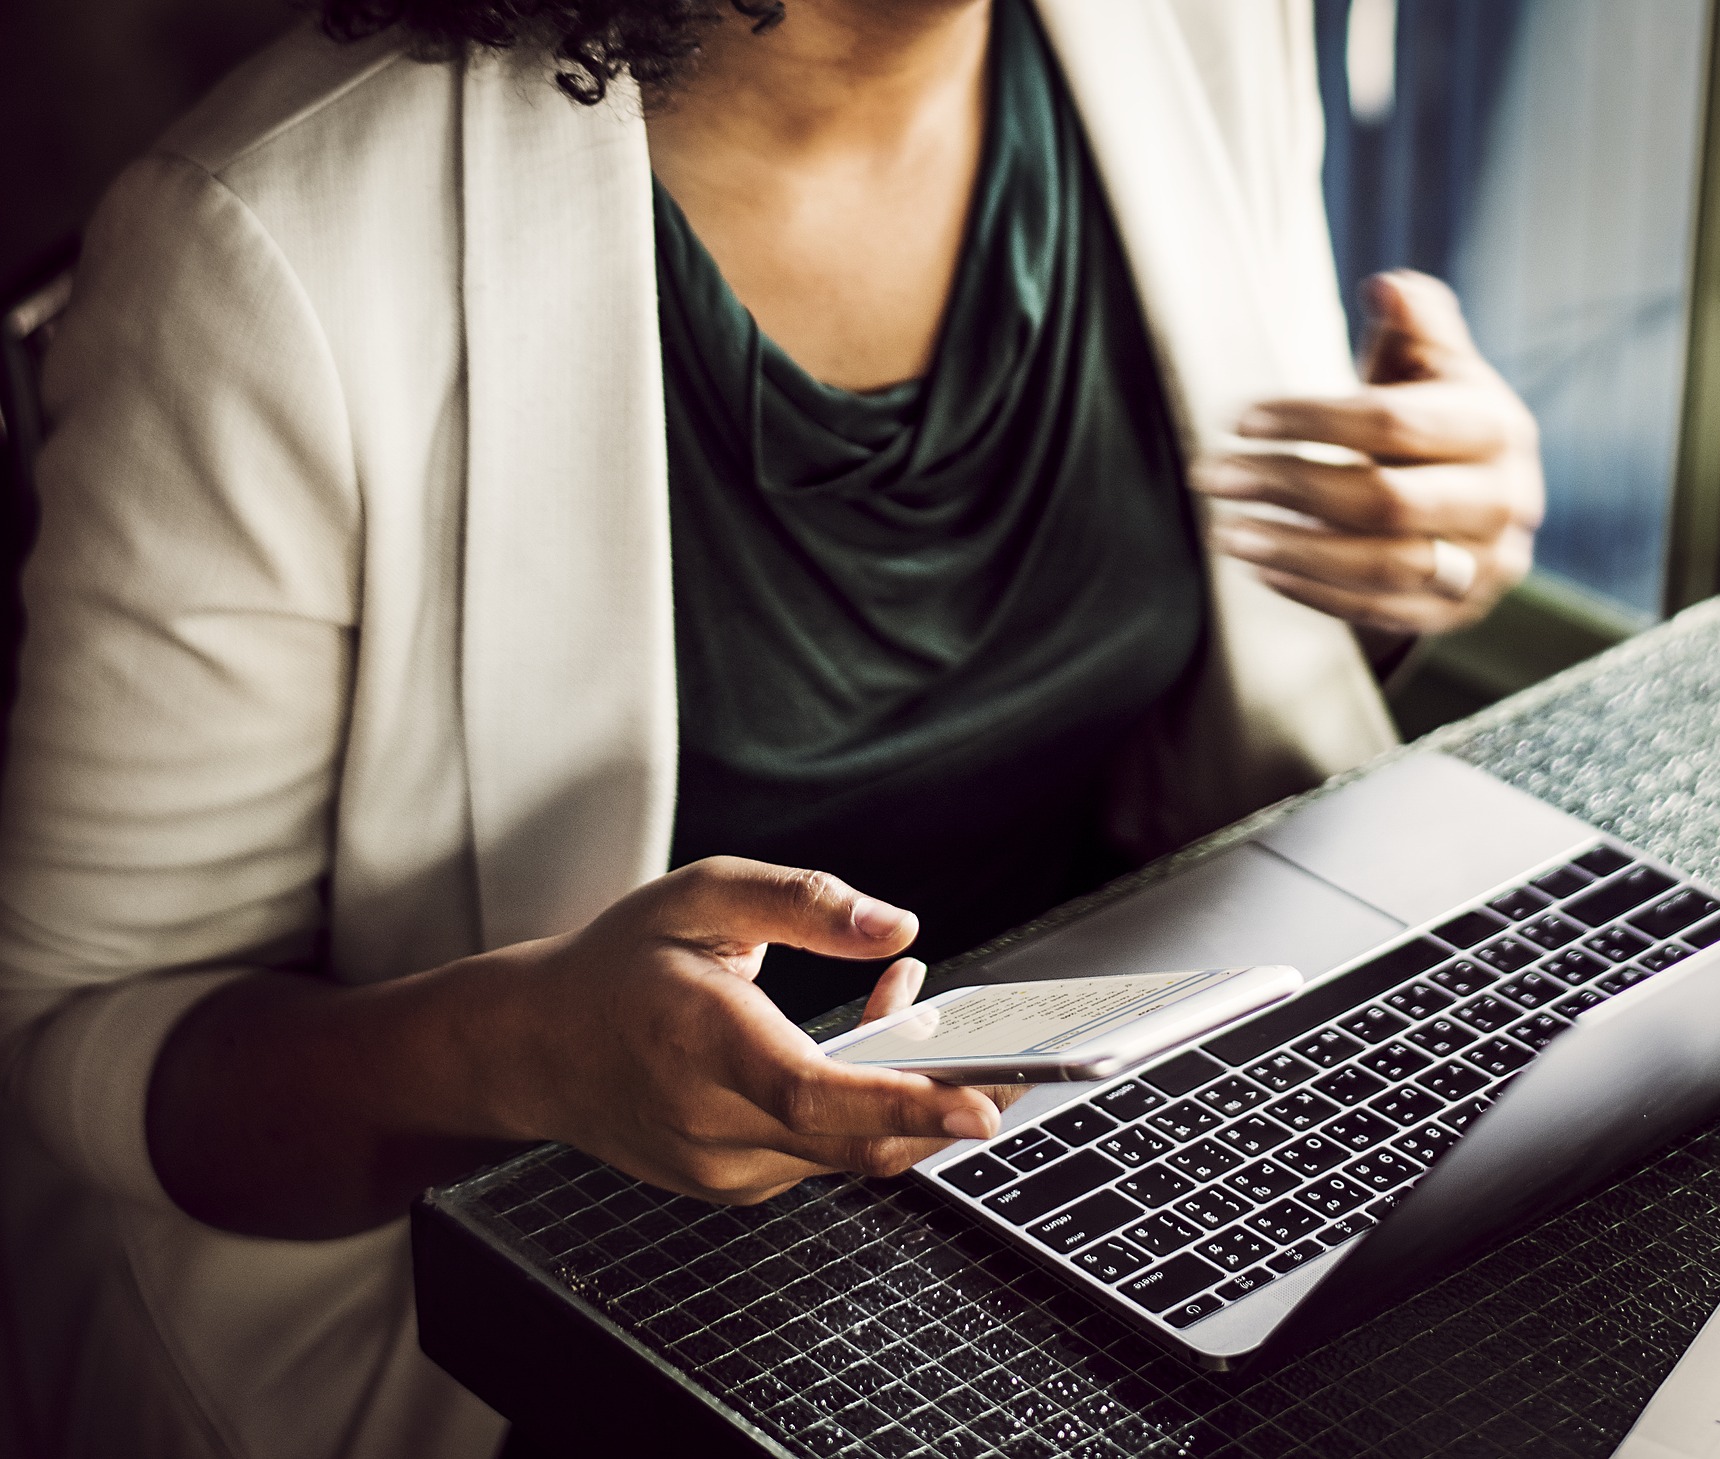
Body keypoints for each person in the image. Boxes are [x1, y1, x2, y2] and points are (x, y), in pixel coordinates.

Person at [0, 0, 1542, 1455]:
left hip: (1098, 1175)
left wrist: (1407, 552)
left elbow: (1156, 698)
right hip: (563, 1320)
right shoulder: (266, 245)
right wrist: (522, 1057)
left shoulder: (1189, 30)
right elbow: (75, 1041)